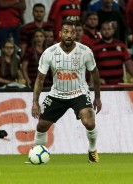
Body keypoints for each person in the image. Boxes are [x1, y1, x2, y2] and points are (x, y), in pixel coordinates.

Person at [31, 20, 102, 163]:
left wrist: (97, 97)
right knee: (41, 125)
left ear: (76, 34)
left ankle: (92, 150)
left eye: (72, 32)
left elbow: (95, 75)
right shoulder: (49, 53)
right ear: (60, 34)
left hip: (79, 93)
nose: (69, 35)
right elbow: (39, 79)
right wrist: (35, 102)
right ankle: (38, 152)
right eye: (65, 31)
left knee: (88, 121)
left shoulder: (85, 52)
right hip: (57, 94)